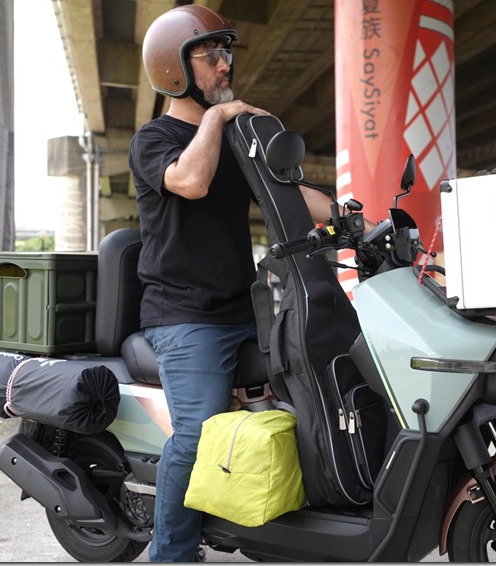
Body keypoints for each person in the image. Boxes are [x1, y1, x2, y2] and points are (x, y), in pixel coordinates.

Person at [128, 5, 360, 561]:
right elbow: (189, 181)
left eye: (226, 53)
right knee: (197, 433)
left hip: (246, 312)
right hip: (185, 317)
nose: (225, 64)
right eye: (210, 55)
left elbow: (290, 192)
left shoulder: (235, 141)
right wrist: (218, 118)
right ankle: (171, 554)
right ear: (174, 70)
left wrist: (357, 219)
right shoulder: (154, 139)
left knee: (310, 398)